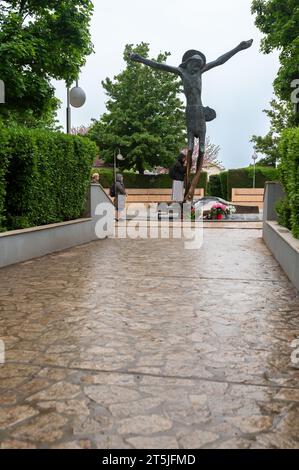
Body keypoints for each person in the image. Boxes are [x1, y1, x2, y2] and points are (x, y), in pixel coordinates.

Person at [130, 39, 253, 199]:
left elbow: (219, 61)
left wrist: (238, 47)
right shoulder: (182, 73)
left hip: (200, 114)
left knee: (201, 149)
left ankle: (193, 186)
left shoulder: (200, 72)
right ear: (188, 63)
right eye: (196, 64)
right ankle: (186, 190)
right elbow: (159, 66)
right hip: (190, 113)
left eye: (200, 64)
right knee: (189, 149)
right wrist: (140, 59)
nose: (198, 67)